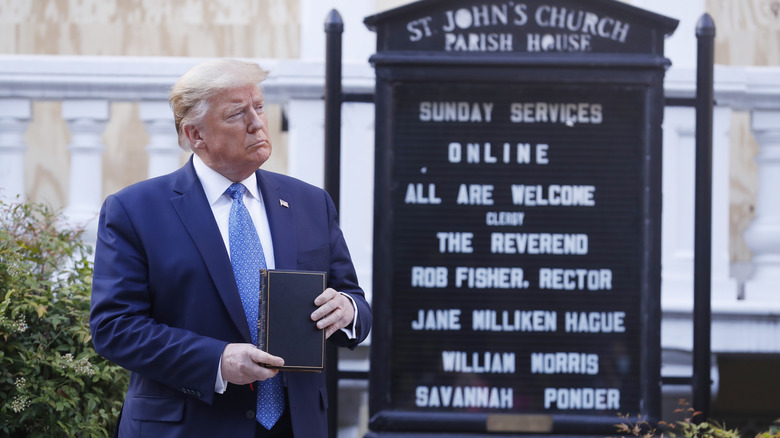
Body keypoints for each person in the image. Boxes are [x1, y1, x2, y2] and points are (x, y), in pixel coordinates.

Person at [89, 59, 372, 438]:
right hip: (189, 425)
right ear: (196, 135)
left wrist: (348, 310)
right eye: (237, 113)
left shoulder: (309, 203)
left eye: (258, 106)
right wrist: (217, 361)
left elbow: (353, 297)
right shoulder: (135, 210)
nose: (257, 123)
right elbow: (115, 328)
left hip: (297, 425)